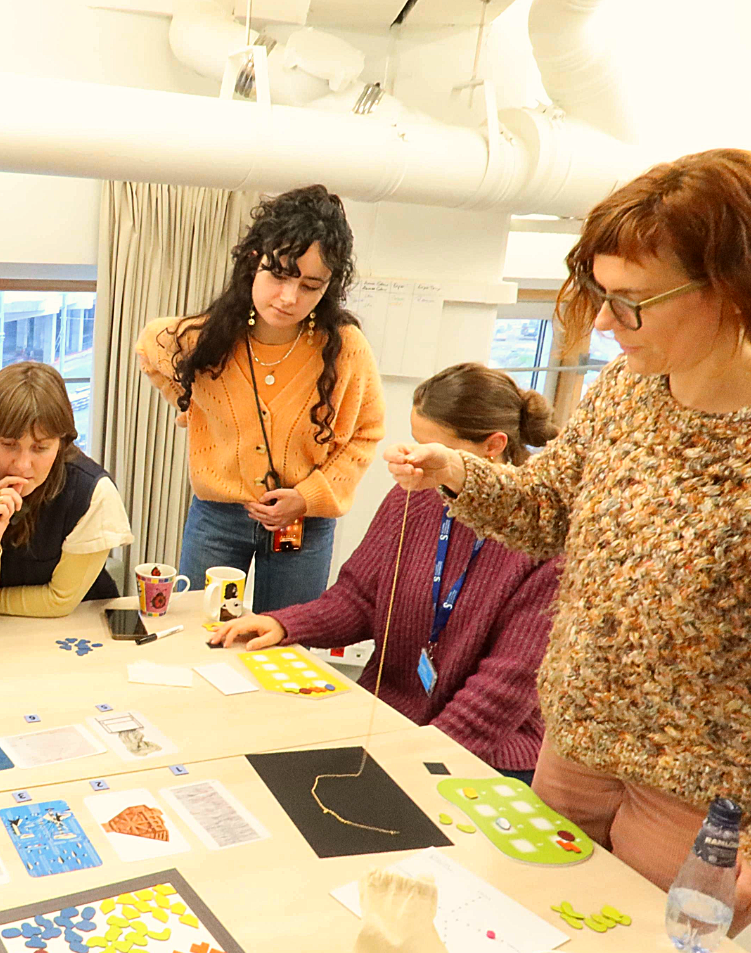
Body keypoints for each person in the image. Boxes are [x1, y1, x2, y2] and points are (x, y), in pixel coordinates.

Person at [385, 150, 751, 929]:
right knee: (531, 925)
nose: (606, 323)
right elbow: (549, 509)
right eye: (598, 294)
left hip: (700, 794)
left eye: (632, 301)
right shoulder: (626, 387)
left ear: (727, 287)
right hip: (575, 743)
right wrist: (453, 469)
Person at [213, 363, 562, 782]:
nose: (416, 462)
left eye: (432, 449)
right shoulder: (413, 497)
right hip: (386, 721)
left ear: (493, 446)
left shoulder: (545, 539)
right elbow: (359, 598)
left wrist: (419, 756)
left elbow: (504, 687)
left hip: (480, 754)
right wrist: (283, 622)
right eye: (415, 443)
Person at [137, 185, 385, 613]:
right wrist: (190, 405)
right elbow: (150, 347)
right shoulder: (209, 337)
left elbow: (366, 433)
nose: (290, 298)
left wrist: (307, 496)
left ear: (329, 287)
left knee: (287, 642)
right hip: (217, 516)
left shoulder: (345, 348)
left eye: (310, 285)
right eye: (280, 275)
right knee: (199, 631)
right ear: (254, 262)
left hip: (303, 524)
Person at [0, 362, 133, 626]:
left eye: (41, 448)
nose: (23, 465)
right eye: (8, 445)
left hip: (70, 628)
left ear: (62, 443)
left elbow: (59, 600)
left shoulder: (92, 493)